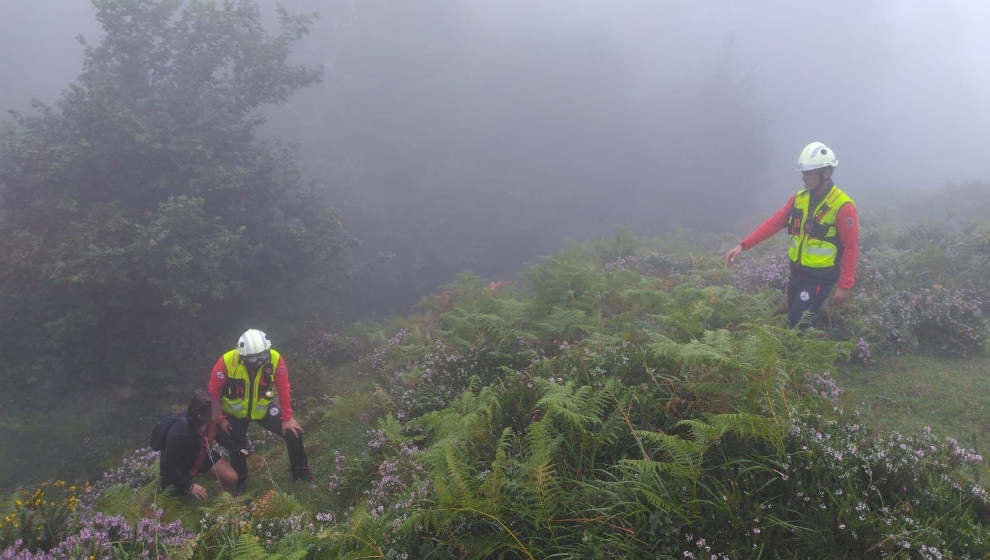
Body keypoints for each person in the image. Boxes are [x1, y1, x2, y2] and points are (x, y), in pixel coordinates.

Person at [725, 141, 858, 326]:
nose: (804, 177)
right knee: (795, 318)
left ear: (826, 173)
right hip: (797, 273)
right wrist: (743, 245)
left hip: (820, 277)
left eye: (809, 173)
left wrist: (845, 286)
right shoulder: (798, 199)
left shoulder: (843, 206)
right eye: (803, 172)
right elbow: (773, 223)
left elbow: (851, 247)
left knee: (797, 322)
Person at [208, 329, 312, 492]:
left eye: (262, 357)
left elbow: (284, 388)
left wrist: (287, 418)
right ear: (242, 356)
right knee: (238, 447)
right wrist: (220, 419)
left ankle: (301, 476)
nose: (259, 364)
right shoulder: (227, 362)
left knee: (294, 433)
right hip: (234, 414)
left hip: (263, 409)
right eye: (253, 360)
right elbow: (213, 393)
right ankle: (240, 486)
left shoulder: (275, 359)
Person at [160, 391, 238, 498]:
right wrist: (189, 486)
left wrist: (238, 449)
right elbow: (168, 466)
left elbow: (221, 438)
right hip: (182, 464)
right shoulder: (180, 433)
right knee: (178, 503)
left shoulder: (210, 422)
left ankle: (230, 504)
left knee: (231, 477)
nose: (218, 417)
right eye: (215, 414)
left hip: (201, 454)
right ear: (200, 416)